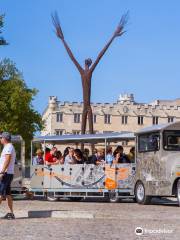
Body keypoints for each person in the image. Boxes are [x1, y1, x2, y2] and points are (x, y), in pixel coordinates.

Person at [0, 132, 16, 219]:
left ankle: (11, 213)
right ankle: (11, 213)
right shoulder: (7, 147)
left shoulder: (8, 147)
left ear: (5, 139)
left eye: (1, 138)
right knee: (8, 194)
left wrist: (2, 172)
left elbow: (7, 160)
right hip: (8, 173)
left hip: (5, 174)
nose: (0, 139)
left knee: (0, 193)